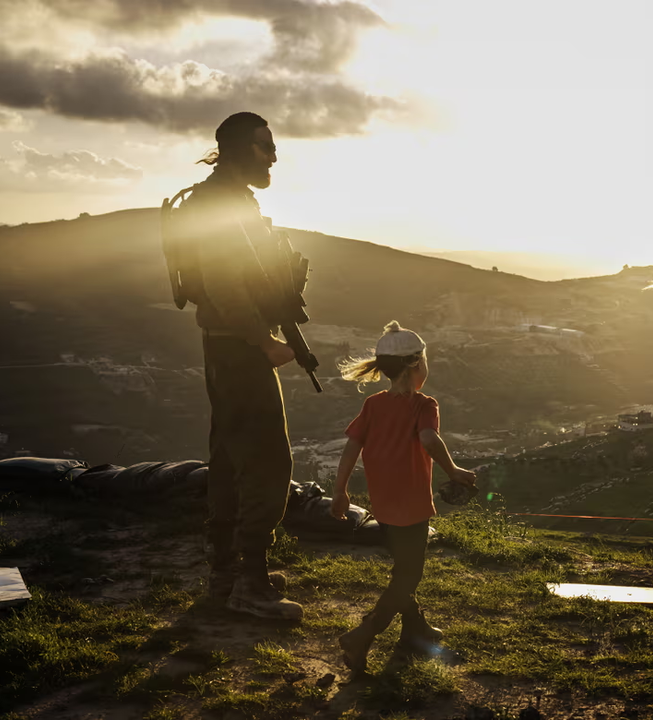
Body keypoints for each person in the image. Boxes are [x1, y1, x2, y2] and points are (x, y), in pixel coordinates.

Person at [177, 112, 304, 621]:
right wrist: (264, 341)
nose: (273, 154)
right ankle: (250, 583)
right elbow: (226, 285)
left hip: (228, 348)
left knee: (229, 460)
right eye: (263, 146)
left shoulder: (227, 199)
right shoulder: (221, 205)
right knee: (268, 461)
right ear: (233, 150)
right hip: (239, 349)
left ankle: (227, 575)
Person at [330, 321, 478, 674]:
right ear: (416, 365)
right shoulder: (424, 404)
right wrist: (454, 471)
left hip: (382, 501)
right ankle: (362, 635)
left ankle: (415, 630)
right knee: (408, 576)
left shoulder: (374, 404)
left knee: (403, 569)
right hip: (411, 503)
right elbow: (428, 439)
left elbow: (352, 446)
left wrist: (340, 490)